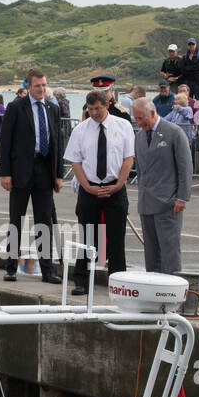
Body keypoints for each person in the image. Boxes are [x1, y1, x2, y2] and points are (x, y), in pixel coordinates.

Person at [65, 90, 134, 295]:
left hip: (115, 188)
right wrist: (87, 186)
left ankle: (118, 283)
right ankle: (82, 281)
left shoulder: (123, 126)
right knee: (88, 238)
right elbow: (75, 161)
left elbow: (128, 159)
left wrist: (119, 184)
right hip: (90, 188)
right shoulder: (80, 130)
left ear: (107, 105)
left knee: (116, 239)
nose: (94, 113)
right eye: (91, 109)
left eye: (98, 108)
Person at [0, 69, 63, 282]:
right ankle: (10, 267)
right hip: (20, 171)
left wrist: (59, 174)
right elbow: (5, 141)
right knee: (16, 220)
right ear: (28, 86)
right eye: (38, 86)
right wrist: (5, 173)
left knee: (44, 222)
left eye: (44, 85)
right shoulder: (16, 107)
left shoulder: (52, 109)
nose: (42, 89)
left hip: (45, 170)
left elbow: (57, 144)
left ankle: (47, 270)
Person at [132, 97, 190, 274]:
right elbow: (141, 171)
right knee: (151, 253)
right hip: (146, 203)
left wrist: (181, 197)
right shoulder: (140, 136)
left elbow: (185, 167)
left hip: (168, 203)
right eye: (136, 119)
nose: (139, 123)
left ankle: (172, 289)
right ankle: (153, 288)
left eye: (141, 118)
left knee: (169, 251)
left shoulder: (174, 133)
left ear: (152, 113)